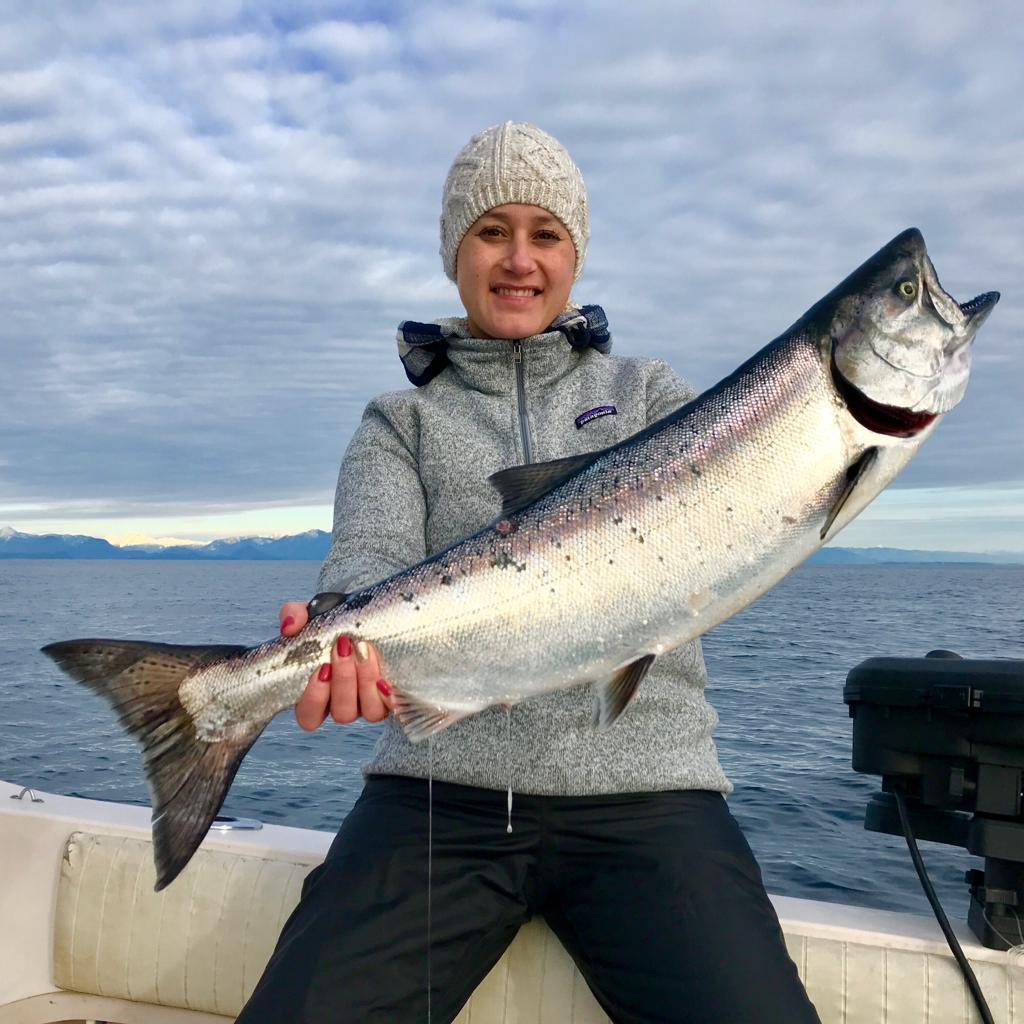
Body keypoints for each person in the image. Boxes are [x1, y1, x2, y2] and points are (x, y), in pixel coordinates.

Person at [236, 122, 821, 1024]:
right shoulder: (402, 421)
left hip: (648, 793)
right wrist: (332, 627)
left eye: (545, 234)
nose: (519, 260)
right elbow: (368, 558)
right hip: (437, 798)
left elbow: (752, 507)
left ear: (575, 255)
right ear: (454, 252)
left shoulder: (653, 396)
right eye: (491, 231)